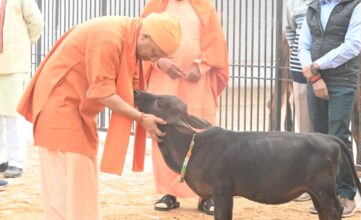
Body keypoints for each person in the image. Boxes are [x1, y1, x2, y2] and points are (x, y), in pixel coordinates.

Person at [16, 12, 181, 220]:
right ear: (145, 37)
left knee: (81, 181)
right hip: (59, 106)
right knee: (66, 184)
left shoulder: (127, 34)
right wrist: (141, 119)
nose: (154, 60)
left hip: (77, 110)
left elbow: (129, 90)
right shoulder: (110, 37)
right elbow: (103, 92)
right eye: (155, 53)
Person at [141, 0, 229, 215]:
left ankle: (206, 194)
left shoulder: (205, 6)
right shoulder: (156, 5)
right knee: (163, 129)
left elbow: (216, 44)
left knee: (201, 133)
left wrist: (202, 65)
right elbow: (141, 40)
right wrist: (159, 61)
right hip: (163, 80)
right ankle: (169, 192)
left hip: (197, 82)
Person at [298, 0, 361, 217]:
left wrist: (317, 66)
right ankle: (325, 195)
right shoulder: (314, 7)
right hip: (315, 79)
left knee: (338, 137)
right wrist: (314, 74)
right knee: (319, 139)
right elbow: (303, 45)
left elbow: (353, 45)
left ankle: (346, 194)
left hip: (342, 80)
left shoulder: (358, 6)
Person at [0, 0, 44, 178]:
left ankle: (16, 161)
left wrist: (23, 44)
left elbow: (37, 23)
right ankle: (2, 158)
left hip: (13, 65)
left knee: (13, 115)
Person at [285, 0, 314, 202]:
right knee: (304, 128)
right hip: (299, 69)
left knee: (327, 127)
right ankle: (307, 183)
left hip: (327, 69)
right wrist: (300, 56)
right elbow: (290, 32)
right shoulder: (292, 3)